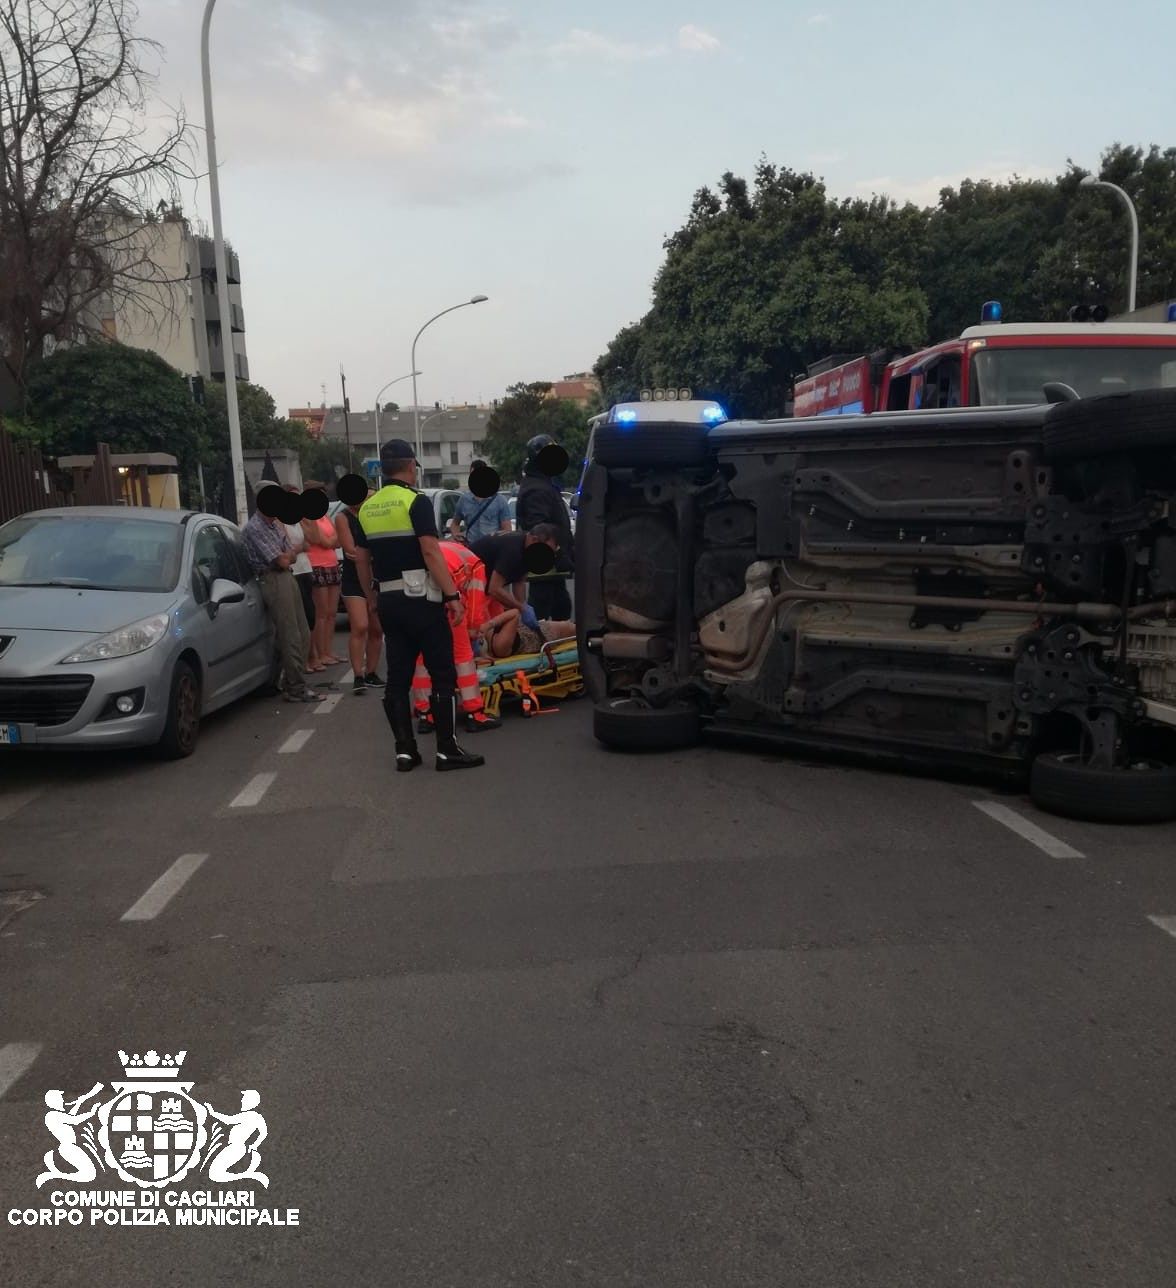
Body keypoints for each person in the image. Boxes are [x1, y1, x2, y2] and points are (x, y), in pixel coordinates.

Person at [352, 440, 484, 772]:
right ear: (411, 465)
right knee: (442, 674)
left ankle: (405, 751)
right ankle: (446, 750)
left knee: (398, 677)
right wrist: (452, 595)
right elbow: (430, 552)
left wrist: (372, 599)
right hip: (423, 600)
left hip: (389, 600)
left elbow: (362, 559)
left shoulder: (367, 508)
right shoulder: (416, 501)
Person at [241, 490, 324, 703]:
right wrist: (289, 555)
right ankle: (295, 686)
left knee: (302, 631)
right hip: (273, 578)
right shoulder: (256, 528)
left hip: (287, 576)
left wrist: (288, 554)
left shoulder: (274, 525)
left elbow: (292, 554)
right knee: (290, 634)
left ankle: (285, 679)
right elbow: (282, 560)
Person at [412, 538, 501, 734]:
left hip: (416, 599)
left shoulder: (436, 548)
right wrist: (473, 627)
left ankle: (426, 714)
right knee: (462, 658)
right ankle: (474, 713)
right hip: (447, 602)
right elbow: (476, 600)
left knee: (421, 659)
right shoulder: (476, 564)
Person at [516, 434, 574, 620]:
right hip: (544, 565)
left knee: (562, 606)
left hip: (550, 567)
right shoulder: (537, 489)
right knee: (543, 611)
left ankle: (556, 646)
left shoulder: (542, 484)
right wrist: (558, 554)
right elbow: (538, 529)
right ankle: (540, 645)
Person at [336, 487, 385, 696]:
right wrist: (371, 555)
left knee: (377, 629)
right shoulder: (343, 517)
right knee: (360, 625)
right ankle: (358, 675)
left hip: (376, 578)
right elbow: (350, 551)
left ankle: (371, 672)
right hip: (353, 579)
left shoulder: (374, 517)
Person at [470, 523, 561, 632]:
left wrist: (523, 605)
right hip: (471, 581)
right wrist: (522, 608)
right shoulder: (513, 550)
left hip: (487, 585)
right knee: (477, 627)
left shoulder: (528, 548)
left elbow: (519, 581)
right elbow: (494, 589)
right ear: (534, 540)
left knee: (498, 625)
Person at [301, 482, 344, 669]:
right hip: (316, 565)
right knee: (321, 613)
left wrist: (331, 541)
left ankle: (328, 650)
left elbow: (337, 539)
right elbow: (319, 540)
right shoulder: (306, 516)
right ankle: (318, 653)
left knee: (332, 612)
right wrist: (331, 541)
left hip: (332, 564)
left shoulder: (325, 515)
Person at [283, 484, 318, 674]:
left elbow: (311, 540)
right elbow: (288, 546)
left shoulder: (298, 520)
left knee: (310, 615)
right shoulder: (282, 520)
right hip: (292, 571)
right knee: (300, 617)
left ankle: (312, 656)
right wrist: (298, 547)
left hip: (305, 568)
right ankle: (303, 660)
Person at [448, 462, 512, 544]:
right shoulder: (464, 499)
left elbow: (507, 530)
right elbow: (455, 523)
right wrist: (456, 535)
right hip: (470, 549)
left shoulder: (499, 500)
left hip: (491, 550)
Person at [480, 609, 575, 659]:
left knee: (568, 625)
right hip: (539, 636)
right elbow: (515, 613)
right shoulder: (499, 645)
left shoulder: (488, 636)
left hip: (531, 630)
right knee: (570, 628)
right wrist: (489, 625)